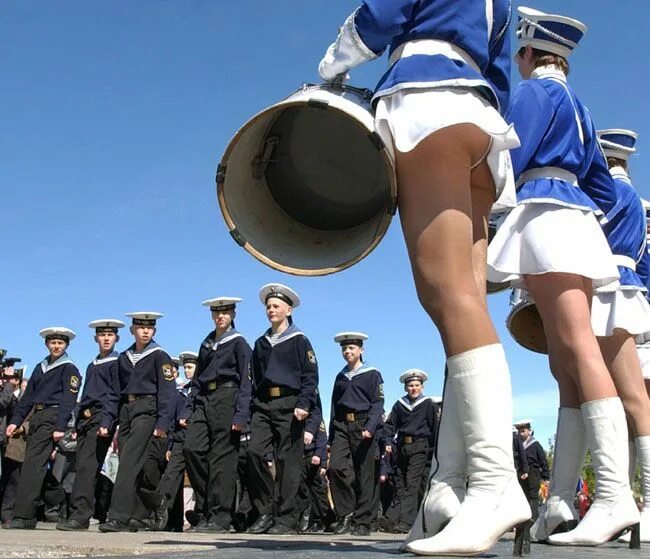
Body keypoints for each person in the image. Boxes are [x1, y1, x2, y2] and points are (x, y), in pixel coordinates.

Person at [319, 1, 529, 554]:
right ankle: (450, 485)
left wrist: (331, 66)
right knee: (469, 306)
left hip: (427, 99)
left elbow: (378, 17)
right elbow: (502, 70)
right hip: (480, 122)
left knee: (447, 294)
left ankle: (494, 484)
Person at [487, 7, 639, 546]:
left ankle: (616, 497)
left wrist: (487, 208)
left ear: (527, 53)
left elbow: (507, 157)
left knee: (577, 349)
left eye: (518, 56)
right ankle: (560, 504)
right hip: (573, 217)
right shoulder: (579, 105)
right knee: (566, 364)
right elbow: (602, 186)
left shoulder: (530, 94)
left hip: (546, 214)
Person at [593, 130, 650, 545]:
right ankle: (627, 501)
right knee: (632, 407)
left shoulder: (612, 195)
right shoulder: (636, 202)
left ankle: (640, 501)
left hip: (617, 293)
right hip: (635, 299)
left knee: (631, 401)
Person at [247, 283, 319, 535]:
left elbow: (311, 376)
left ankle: (287, 518)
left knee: (288, 462)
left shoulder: (300, 340)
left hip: (290, 405)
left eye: (276, 306)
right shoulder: (260, 343)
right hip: (264, 404)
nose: (271, 310)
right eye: (268, 306)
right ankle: (266, 511)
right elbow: (254, 378)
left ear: (288, 310)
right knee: (254, 452)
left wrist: (303, 404)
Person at [99, 312, 176, 532]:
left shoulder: (159, 355)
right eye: (140, 328)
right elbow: (114, 393)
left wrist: (162, 423)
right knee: (132, 464)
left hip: (147, 410)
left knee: (129, 463)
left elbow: (167, 391)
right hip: (126, 411)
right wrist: (107, 420)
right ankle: (140, 512)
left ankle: (117, 516)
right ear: (133, 330)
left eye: (149, 328)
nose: (145, 331)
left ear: (154, 331)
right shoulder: (124, 357)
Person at [184, 297, 252, 533]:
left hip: (227, 396)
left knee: (222, 459)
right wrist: (188, 407)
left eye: (225, 313)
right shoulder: (206, 342)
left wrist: (241, 415)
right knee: (192, 448)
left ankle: (220, 516)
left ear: (232, 314)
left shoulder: (239, 343)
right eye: (216, 313)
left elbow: (247, 380)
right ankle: (206, 505)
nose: (220, 317)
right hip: (204, 398)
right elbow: (196, 378)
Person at [4, 327, 80, 529]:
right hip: (37, 415)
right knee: (32, 464)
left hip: (53, 415)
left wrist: (60, 425)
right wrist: (16, 421)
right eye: (53, 343)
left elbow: (68, 398)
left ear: (66, 345)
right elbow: (27, 398)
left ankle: (25, 516)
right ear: (47, 344)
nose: (56, 346)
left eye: (60, 343)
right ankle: (54, 499)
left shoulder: (69, 368)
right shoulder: (41, 367)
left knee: (33, 465)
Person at [56, 319, 123, 531]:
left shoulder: (116, 362)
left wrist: (107, 421)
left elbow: (114, 394)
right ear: (96, 338)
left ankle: (81, 515)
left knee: (88, 467)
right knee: (82, 467)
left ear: (116, 338)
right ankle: (78, 512)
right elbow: (85, 395)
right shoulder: (92, 364)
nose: (105, 338)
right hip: (85, 419)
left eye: (110, 335)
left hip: (101, 416)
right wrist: (77, 426)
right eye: (102, 335)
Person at [328, 332, 384, 536]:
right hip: (342, 425)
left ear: (361, 350)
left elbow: (378, 403)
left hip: (363, 425)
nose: (347, 351)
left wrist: (370, 426)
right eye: (344, 348)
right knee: (335, 467)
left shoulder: (372, 373)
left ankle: (363, 521)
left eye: (351, 348)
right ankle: (346, 514)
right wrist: (331, 435)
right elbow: (334, 406)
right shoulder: (340, 377)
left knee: (365, 474)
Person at [382, 369, 438, 533]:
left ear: (422, 387)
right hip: (402, 447)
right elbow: (390, 426)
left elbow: (435, 428)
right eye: (411, 385)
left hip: (421, 446)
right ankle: (393, 518)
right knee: (400, 483)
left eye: (417, 385)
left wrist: (434, 451)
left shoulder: (428, 404)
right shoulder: (400, 405)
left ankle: (406, 522)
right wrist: (387, 441)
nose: (414, 388)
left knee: (412, 484)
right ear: (406, 388)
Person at [514, 419, 549, 523]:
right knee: (523, 497)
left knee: (533, 498)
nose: (521, 433)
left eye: (523, 430)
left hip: (533, 472)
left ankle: (533, 521)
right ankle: (523, 522)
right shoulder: (517, 445)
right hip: (521, 472)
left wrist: (546, 477)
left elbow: (543, 460)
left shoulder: (535, 444)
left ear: (529, 430)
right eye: (519, 431)